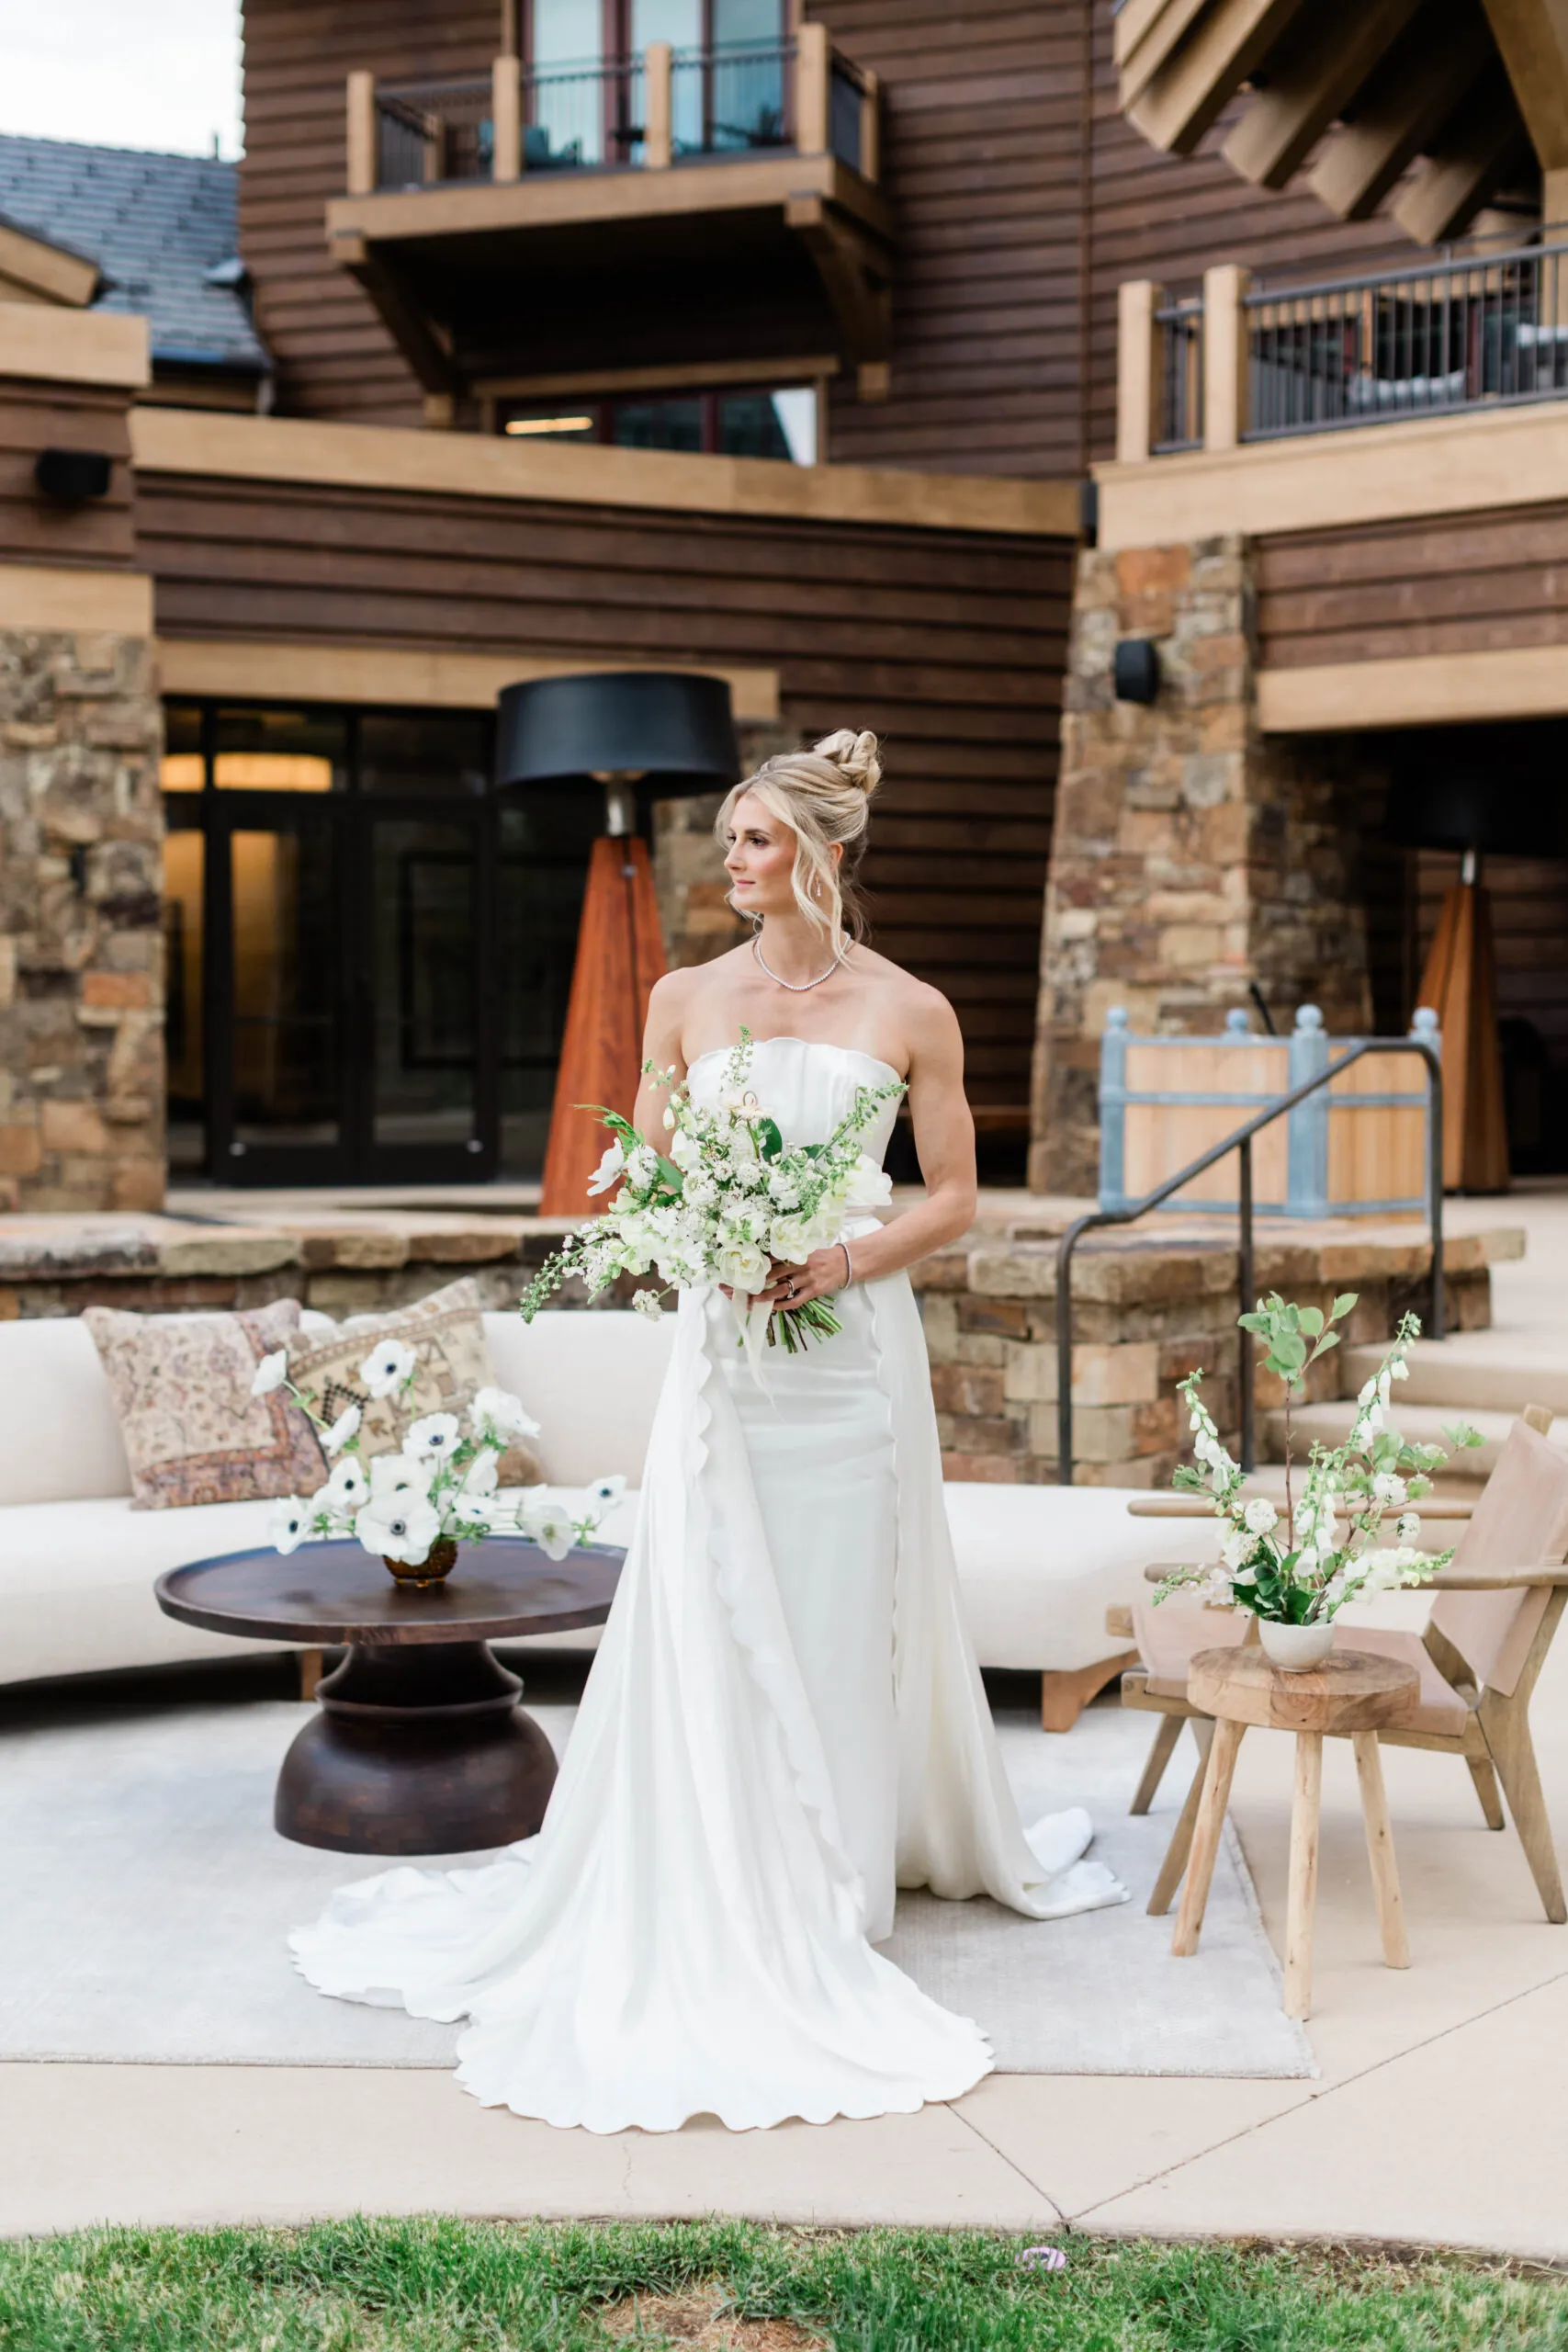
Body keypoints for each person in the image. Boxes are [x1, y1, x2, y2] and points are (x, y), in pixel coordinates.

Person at [290, 729, 1124, 2134]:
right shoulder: (682, 997)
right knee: (710, 1591)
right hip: (728, 1350)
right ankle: (724, 1863)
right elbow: (646, 1184)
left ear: (822, 849)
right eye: (728, 839)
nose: (728, 863)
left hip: (851, 1354)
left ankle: (837, 1875)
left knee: (843, 1601)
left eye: (750, 839)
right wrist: (708, 1246)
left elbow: (954, 1198)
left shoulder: (912, 1009)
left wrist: (838, 1258)